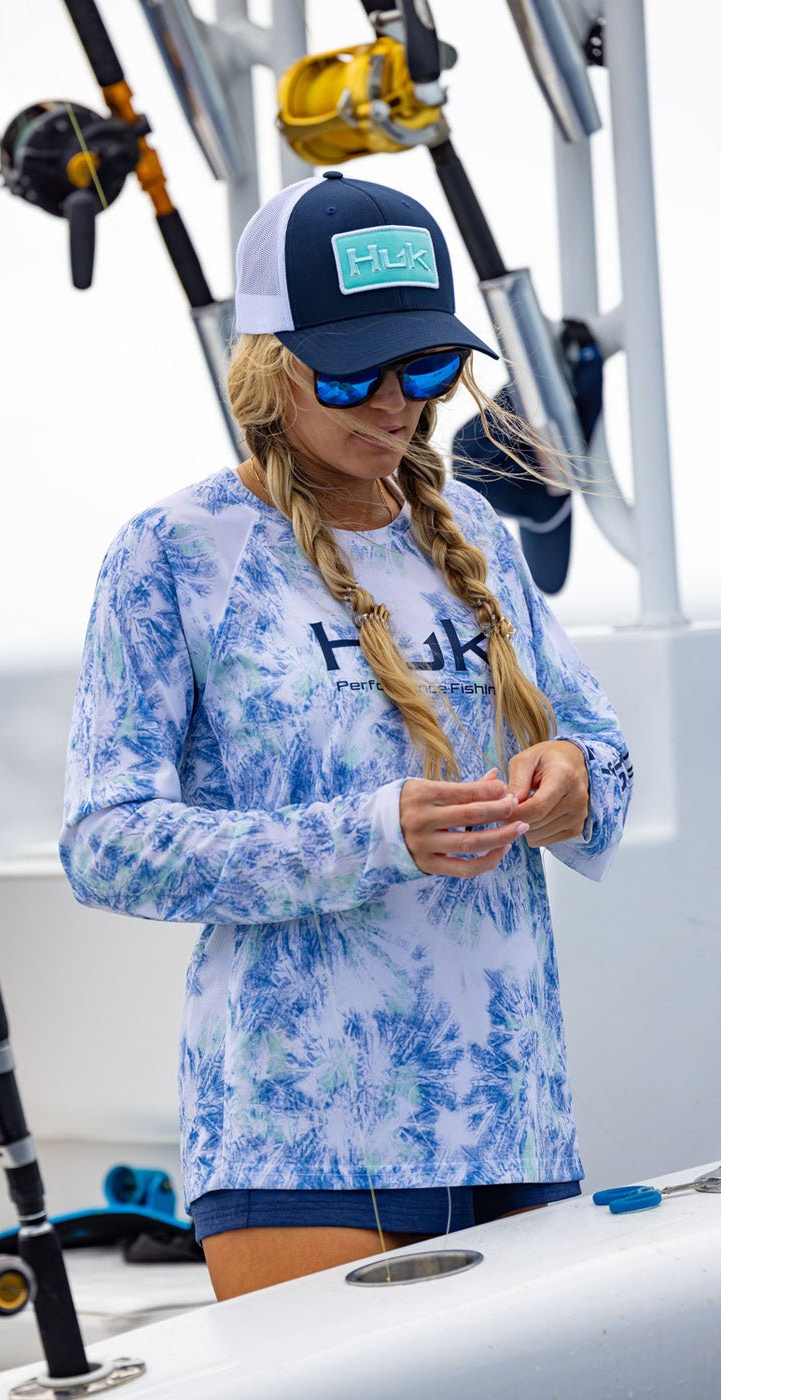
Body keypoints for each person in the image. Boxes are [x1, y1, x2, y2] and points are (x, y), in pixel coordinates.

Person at [60, 173, 632, 1302]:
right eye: (350, 371)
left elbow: (598, 745)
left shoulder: (472, 529)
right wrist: (369, 833)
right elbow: (105, 840)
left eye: (422, 366)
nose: (393, 402)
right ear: (270, 366)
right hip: (301, 1143)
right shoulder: (173, 552)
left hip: (514, 1116)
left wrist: (571, 779)